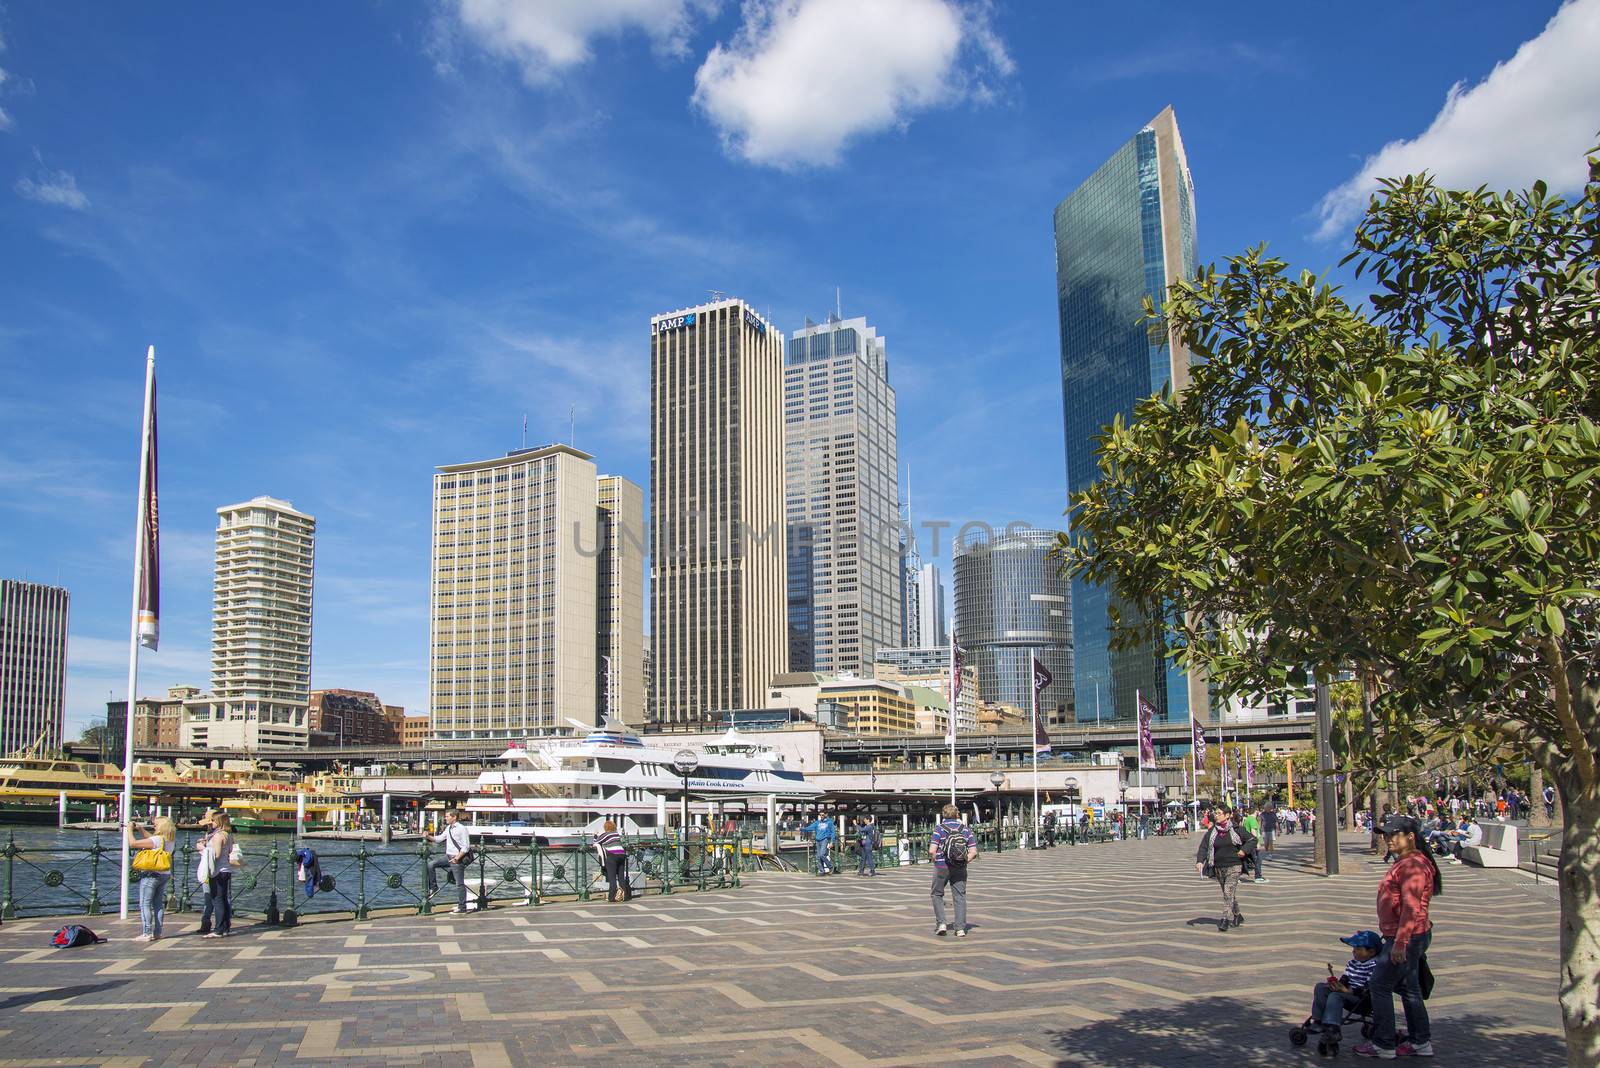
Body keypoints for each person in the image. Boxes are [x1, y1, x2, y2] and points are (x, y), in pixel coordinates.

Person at [1354, 815, 1440, 1059]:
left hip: (1407, 937)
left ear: (1410, 837)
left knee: (1379, 984)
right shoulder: (1407, 862)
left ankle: (1383, 1043)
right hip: (1407, 935)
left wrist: (1400, 943)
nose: (1388, 839)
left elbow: (1411, 908)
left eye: (1394, 834)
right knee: (1408, 988)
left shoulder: (1413, 866)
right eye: (1386, 835)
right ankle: (1420, 1041)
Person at [1304, 930, 1382, 1051]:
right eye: (1354, 948)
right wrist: (1337, 984)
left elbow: (1368, 989)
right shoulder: (1352, 963)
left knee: (1336, 996)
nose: (1354, 952)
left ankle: (1333, 1028)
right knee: (1320, 987)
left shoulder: (1375, 965)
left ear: (1371, 952)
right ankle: (1318, 1020)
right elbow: (1345, 979)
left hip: (1361, 1000)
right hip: (1347, 993)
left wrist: (1347, 991)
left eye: (1358, 949)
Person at [1194, 803, 1255, 932]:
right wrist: (1200, 861)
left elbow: (1252, 840)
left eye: (1219, 813)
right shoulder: (1212, 831)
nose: (1216, 815)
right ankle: (1238, 915)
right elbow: (1204, 847)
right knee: (1229, 893)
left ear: (1227, 816)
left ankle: (1225, 919)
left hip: (1234, 865)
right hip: (1218, 866)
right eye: (1216, 813)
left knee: (1228, 892)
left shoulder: (1237, 829)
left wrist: (1244, 850)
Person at [928, 804, 977, 937]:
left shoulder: (939, 829)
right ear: (957, 815)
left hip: (942, 866)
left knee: (937, 894)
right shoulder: (965, 829)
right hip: (960, 867)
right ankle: (960, 928)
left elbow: (932, 850)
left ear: (943, 815)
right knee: (960, 896)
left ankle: (942, 923)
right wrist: (963, 861)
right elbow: (973, 851)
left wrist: (935, 860)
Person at [127, 815, 176, 942]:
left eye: (156, 824)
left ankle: (146, 933)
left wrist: (129, 830)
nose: (154, 825)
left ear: (162, 826)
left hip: (151, 874)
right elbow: (151, 838)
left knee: (145, 903)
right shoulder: (169, 840)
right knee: (158, 904)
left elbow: (133, 843)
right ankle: (158, 932)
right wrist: (140, 829)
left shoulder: (157, 840)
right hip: (164, 874)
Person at [427, 808, 473, 914]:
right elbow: (439, 839)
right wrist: (428, 836)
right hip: (448, 857)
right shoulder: (448, 828)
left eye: (447, 816)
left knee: (459, 883)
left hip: (458, 859)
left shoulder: (462, 829)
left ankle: (462, 907)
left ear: (454, 817)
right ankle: (434, 888)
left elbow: (466, 847)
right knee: (431, 864)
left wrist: (457, 857)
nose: (445, 818)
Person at [202, 813, 235, 939]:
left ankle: (218, 929)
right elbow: (230, 850)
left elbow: (216, 854)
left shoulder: (217, 836)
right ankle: (226, 926)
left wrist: (203, 848)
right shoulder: (228, 835)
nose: (212, 823)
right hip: (226, 869)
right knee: (223, 898)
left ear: (219, 822)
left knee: (217, 899)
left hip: (217, 871)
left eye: (214, 820)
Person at [593, 819, 630, 902]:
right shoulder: (616, 834)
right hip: (622, 855)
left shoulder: (604, 835)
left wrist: (595, 835)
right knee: (621, 877)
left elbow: (595, 843)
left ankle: (611, 897)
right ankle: (625, 896)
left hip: (612, 856)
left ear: (605, 827)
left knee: (612, 878)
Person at [1241, 808, 1266, 883]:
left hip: (1247, 842)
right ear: (1256, 811)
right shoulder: (1252, 820)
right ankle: (1258, 876)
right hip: (1252, 843)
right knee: (1257, 860)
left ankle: (1239, 875)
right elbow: (1253, 831)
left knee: (1246, 860)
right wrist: (1257, 843)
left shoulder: (1247, 819)